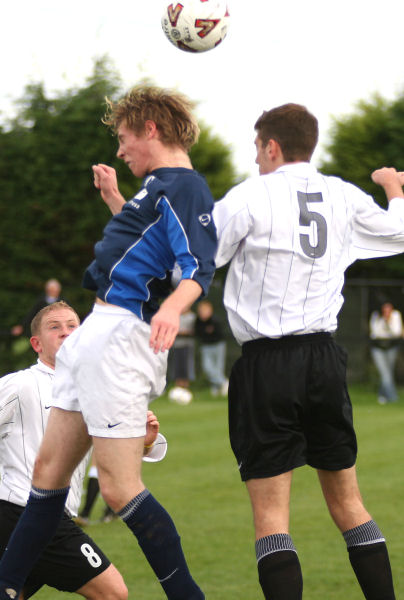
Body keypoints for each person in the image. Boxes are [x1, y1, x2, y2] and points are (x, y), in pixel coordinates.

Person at [0, 84, 217, 600]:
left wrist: (172, 307)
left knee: (119, 489)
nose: (120, 150)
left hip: (120, 339)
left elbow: (196, 267)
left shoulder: (185, 186)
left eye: (124, 138)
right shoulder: (155, 187)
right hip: (95, 334)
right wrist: (115, 200)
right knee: (48, 475)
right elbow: (149, 244)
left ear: (151, 129)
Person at [212, 103, 404, 600]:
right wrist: (394, 190)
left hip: (267, 365)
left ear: (272, 146)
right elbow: (399, 231)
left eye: (257, 149)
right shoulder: (342, 195)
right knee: (350, 503)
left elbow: (195, 255)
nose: (256, 159)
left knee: (272, 518)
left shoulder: (250, 195)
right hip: (324, 360)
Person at [0, 301, 167, 599]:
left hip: (50, 514)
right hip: (23, 511)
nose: (65, 332)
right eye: (55, 327)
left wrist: (145, 440)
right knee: (113, 592)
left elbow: (121, 447)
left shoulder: (96, 389)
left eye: (72, 327)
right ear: (36, 344)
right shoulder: (21, 384)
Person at [369, 301, 403, 404]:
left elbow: (396, 332)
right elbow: (375, 333)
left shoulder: (396, 315)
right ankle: (393, 398)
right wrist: (383, 320)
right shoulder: (376, 316)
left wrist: (388, 322)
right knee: (385, 373)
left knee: (388, 373)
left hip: (391, 347)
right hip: (378, 348)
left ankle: (382, 396)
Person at [194, 300, 228, 396]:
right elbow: (198, 333)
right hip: (206, 347)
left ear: (210, 310)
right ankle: (224, 383)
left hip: (218, 346)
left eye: (205, 310)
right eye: (201, 311)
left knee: (218, 368)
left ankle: (217, 389)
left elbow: (219, 333)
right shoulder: (198, 321)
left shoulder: (215, 320)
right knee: (207, 368)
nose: (202, 313)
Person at [167, 310, 196, 405]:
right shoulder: (175, 316)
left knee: (186, 367)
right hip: (176, 345)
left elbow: (194, 330)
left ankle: (186, 389)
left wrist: (185, 333)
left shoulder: (192, 317)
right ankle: (178, 389)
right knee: (177, 367)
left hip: (187, 345)